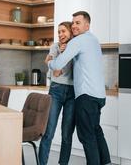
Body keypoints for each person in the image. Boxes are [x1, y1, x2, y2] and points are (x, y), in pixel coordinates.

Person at [47, 11, 111, 165]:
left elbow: (57, 64)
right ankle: (106, 162)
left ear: (87, 25)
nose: (74, 25)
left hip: (86, 95)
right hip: (99, 95)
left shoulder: (78, 41)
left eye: (78, 23)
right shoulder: (94, 40)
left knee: (86, 136)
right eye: (73, 22)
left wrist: (49, 61)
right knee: (96, 130)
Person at [39, 21, 75, 165]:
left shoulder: (75, 46)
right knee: (49, 131)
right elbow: (54, 68)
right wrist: (62, 53)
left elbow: (58, 67)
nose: (60, 35)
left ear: (71, 32)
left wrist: (66, 53)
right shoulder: (55, 46)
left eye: (63, 31)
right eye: (59, 32)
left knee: (67, 134)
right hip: (56, 90)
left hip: (73, 92)